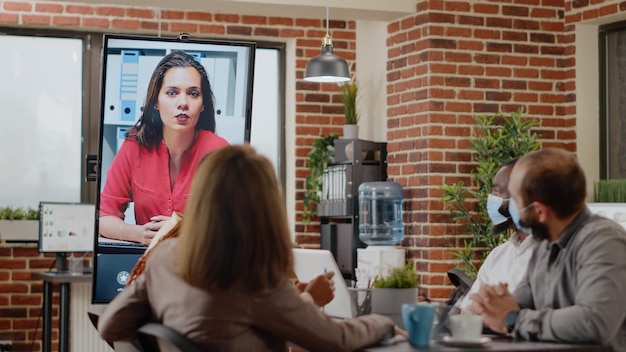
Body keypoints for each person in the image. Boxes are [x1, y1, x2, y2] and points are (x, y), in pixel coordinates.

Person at [98, 145, 405, 351]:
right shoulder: (255, 280)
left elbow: (110, 325)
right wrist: (385, 323)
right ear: (264, 207)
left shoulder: (164, 258)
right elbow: (338, 339)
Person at [470, 148, 626, 350]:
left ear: (540, 211)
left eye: (515, 202)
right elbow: (519, 303)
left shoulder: (604, 241)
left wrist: (514, 319)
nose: (509, 210)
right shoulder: (544, 245)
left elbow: (594, 321)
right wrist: (488, 308)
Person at [98, 50, 229, 244]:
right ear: (156, 102)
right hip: (149, 265)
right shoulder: (134, 146)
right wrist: (138, 233)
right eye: (172, 93)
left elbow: (237, 226)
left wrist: (186, 229)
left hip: (203, 268)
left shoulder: (220, 153)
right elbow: (103, 217)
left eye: (193, 94)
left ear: (203, 105)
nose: (183, 103)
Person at [461, 159, 540, 312]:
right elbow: (468, 310)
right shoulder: (498, 255)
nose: (491, 199)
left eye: (497, 192)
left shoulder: (550, 253)